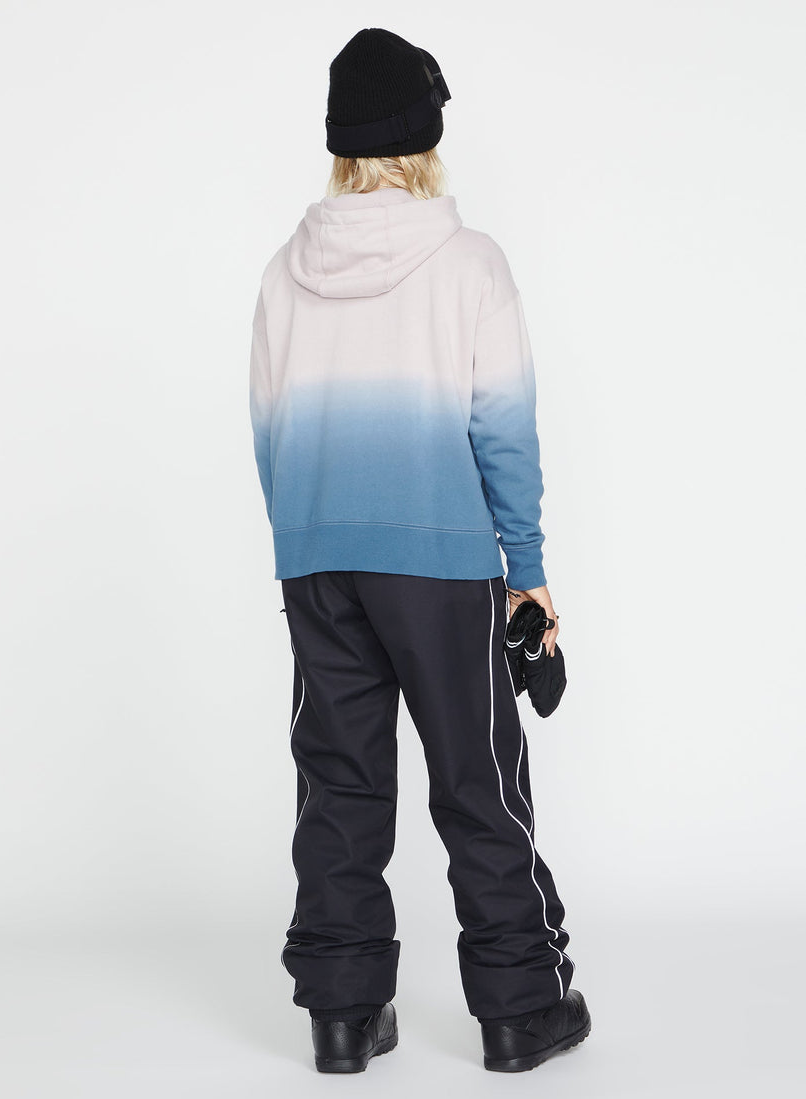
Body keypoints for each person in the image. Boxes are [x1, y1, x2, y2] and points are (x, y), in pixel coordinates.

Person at [248, 26, 592, 1074]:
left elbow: (270, 429)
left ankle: (343, 1016)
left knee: (339, 782)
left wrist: (306, 537)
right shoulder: (469, 264)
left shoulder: (282, 273)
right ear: (424, 138)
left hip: (318, 560)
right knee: (477, 779)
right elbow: (504, 432)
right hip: (440, 565)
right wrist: (527, 570)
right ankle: (520, 1009)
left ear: (341, 143)